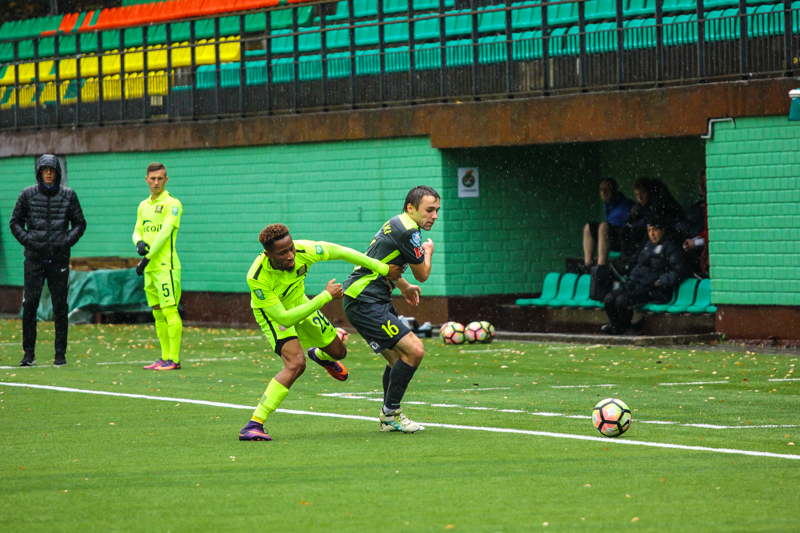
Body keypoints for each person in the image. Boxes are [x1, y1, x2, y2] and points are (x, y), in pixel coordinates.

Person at [238, 224, 403, 441]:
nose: (291, 255)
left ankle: (320, 355)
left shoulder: (304, 250)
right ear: (268, 255)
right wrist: (325, 296)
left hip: (301, 302)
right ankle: (254, 424)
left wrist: (382, 268)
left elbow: (342, 252)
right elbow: (284, 318)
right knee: (296, 364)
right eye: (282, 253)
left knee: (339, 352)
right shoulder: (257, 277)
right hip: (274, 315)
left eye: (291, 248)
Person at [342, 185, 440, 433]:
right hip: (366, 300)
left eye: (437, 210)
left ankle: (390, 416)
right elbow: (423, 274)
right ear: (411, 207)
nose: (434, 216)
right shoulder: (410, 232)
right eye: (429, 210)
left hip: (365, 298)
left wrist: (403, 286)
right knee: (415, 350)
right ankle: (390, 414)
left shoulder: (397, 222)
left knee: (398, 358)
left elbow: (382, 261)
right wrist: (428, 253)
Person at [10, 155, 87, 367]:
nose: (48, 173)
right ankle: (29, 354)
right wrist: (29, 240)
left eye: (52, 169)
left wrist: (65, 241)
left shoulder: (69, 195)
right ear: (39, 172)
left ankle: (60, 355)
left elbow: (80, 224)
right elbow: (15, 223)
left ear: (57, 172)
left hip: (59, 260)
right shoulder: (27, 194)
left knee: (60, 307)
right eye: (45, 169)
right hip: (33, 260)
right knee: (30, 305)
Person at [133, 163, 184, 371]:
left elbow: (164, 234)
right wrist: (138, 242)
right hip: (151, 269)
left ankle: (174, 359)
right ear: (146, 179)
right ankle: (164, 357)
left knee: (170, 310)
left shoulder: (173, 204)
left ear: (166, 180)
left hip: (166, 267)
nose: (156, 182)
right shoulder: (143, 205)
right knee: (157, 312)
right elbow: (137, 229)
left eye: (160, 178)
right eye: (152, 178)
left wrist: (146, 258)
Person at [601, 217, 689, 335]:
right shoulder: (648, 246)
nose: (652, 234)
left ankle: (623, 329)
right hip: (637, 283)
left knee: (622, 301)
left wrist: (660, 281)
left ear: (663, 230)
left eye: (655, 230)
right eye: (649, 230)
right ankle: (617, 327)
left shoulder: (671, 247)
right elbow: (639, 264)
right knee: (609, 298)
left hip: (654, 290)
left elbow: (679, 271)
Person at [582, 178, 635, 271]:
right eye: (601, 189)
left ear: (615, 189)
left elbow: (627, 227)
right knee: (588, 227)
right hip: (611, 238)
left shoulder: (626, 204)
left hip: (624, 241)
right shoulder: (609, 204)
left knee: (603, 227)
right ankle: (588, 265)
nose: (604, 192)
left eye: (607, 189)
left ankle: (601, 266)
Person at [683, 169, 709, 277]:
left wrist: (696, 242)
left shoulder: (713, 202)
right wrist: (695, 240)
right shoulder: (706, 202)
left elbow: (714, 232)